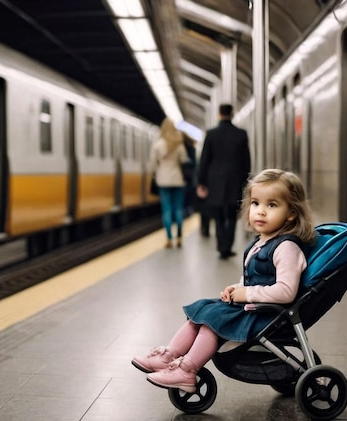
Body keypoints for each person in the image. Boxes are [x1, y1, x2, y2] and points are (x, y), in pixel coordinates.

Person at [132, 169, 316, 393]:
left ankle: (187, 370)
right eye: (256, 203)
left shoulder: (287, 247)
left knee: (214, 323)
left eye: (272, 205)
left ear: (291, 213)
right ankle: (169, 356)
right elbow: (253, 279)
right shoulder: (262, 242)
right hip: (252, 308)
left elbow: (286, 291)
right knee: (202, 312)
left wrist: (247, 293)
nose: (261, 212)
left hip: (267, 314)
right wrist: (237, 288)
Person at [197, 104, 251, 259]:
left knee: (218, 215)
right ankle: (227, 246)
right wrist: (245, 180)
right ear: (232, 114)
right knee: (232, 215)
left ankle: (221, 246)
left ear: (219, 114)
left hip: (214, 180)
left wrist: (202, 182)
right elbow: (246, 160)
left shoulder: (211, 134)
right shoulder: (241, 134)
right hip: (235, 179)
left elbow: (205, 160)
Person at [150, 118, 190, 248]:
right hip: (178, 179)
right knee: (178, 209)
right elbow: (184, 160)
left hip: (163, 180)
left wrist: (156, 174)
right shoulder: (179, 144)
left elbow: (153, 164)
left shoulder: (158, 144)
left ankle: (169, 239)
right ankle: (179, 237)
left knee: (166, 210)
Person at [180, 132, 197, 216]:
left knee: (182, 197)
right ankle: (188, 211)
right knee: (188, 195)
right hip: (189, 176)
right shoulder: (191, 148)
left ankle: (183, 212)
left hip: (181, 176)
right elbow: (194, 164)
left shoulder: (179, 148)